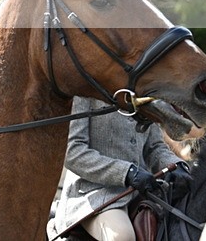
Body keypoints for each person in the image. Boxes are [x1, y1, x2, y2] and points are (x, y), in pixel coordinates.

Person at [51, 96, 194, 241]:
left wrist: (176, 165)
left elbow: (154, 147)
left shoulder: (142, 90)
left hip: (142, 190)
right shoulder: (83, 92)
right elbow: (72, 152)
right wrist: (127, 172)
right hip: (93, 194)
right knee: (121, 237)